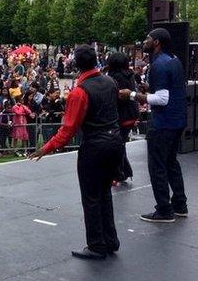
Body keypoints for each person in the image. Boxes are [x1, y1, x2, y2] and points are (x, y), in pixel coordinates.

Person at [29, 45, 124, 260]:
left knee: (91, 197)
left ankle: (97, 245)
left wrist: (47, 147)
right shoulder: (110, 82)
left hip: (95, 146)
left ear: (75, 64)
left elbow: (69, 129)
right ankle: (111, 240)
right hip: (114, 141)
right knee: (104, 193)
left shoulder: (79, 92)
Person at [119, 28, 187, 223]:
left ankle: (164, 210)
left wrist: (131, 95)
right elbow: (170, 90)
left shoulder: (158, 65)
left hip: (163, 123)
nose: (145, 41)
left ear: (156, 42)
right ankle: (180, 204)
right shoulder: (173, 60)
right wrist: (149, 89)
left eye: (148, 38)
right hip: (178, 120)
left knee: (157, 166)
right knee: (171, 162)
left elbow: (162, 99)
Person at [107, 52, 139, 184]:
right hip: (130, 114)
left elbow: (116, 97)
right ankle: (123, 171)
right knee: (121, 144)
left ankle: (120, 173)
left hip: (121, 115)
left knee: (116, 145)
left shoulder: (115, 77)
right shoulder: (130, 75)